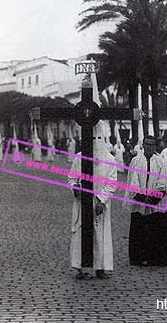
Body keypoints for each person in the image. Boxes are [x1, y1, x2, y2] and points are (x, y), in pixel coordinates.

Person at [68, 120, 116, 280]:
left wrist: (102, 200)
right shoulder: (80, 157)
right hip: (83, 202)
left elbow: (112, 182)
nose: (96, 142)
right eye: (93, 139)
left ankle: (100, 267)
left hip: (99, 203)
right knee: (82, 232)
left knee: (100, 235)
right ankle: (81, 268)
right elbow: (72, 177)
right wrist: (75, 188)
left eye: (99, 139)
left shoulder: (110, 159)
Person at [124, 135, 167, 266]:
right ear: (143, 145)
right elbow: (133, 181)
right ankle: (138, 257)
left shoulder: (160, 162)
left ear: (155, 146)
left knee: (156, 230)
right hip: (140, 201)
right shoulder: (136, 161)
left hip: (155, 201)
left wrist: (154, 197)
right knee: (139, 229)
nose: (149, 147)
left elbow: (163, 180)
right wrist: (142, 197)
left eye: (152, 144)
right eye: (147, 144)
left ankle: (156, 258)